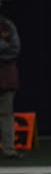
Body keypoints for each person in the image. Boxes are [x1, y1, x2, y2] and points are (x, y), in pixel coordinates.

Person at [0, 8, 23, 159]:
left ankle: (9, 149)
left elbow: (15, 50)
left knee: (6, 114)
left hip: (6, 75)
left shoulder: (7, 25)